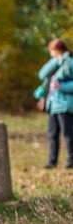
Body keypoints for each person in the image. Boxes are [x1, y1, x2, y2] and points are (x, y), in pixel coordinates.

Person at [34, 38, 73, 169]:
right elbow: (42, 74)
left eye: (52, 50)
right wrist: (55, 61)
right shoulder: (56, 63)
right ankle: (52, 161)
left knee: (68, 133)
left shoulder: (70, 63)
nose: (50, 53)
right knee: (52, 134)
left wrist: (61, 86)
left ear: (58, 50)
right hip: (53, 105)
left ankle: (71, 161)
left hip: (65, 104)